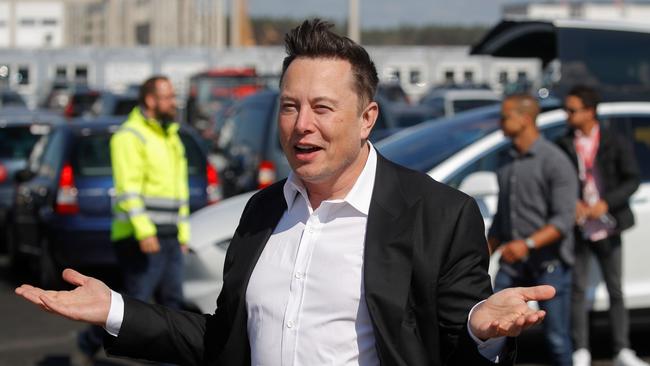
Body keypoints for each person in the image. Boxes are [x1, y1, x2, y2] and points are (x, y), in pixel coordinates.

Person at [17, 19, 555, 366]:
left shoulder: (439, 214)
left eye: (322, 108)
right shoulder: (263, 209)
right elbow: (222, 340)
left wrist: (482, 330)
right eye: (291, 106)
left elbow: (457, 344)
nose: (302, 126)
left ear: (367, 118)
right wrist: (113, 308)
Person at [75, 75, 190, 365]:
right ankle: (88, 342)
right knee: (131, 304)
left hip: (170, 235)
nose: (173, 102)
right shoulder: (130, 136)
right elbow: (128, 190)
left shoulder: (171, 135)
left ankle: (169, 360)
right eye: (167, 97)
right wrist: (144, 231)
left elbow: (180, 192)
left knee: (172, 304)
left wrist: (183, 233)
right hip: (139, 236)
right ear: (150, 100)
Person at [557, 85, 645, 366]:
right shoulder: (563, 143)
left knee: (615, 288)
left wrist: (607, 203)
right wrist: (573, 203)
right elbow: (559, 182)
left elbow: (631, 179)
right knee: (578, 289)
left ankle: (622, 349)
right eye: (567, 110)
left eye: (573, 110)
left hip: (609, 223)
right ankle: (581, 349)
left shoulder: (613, 141)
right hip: (580, 225)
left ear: (590, 111)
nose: (567, 115)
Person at [488, 94, 578, 366]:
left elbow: (564, 220)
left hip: (548, 264)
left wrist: (526, 244)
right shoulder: (506, 160)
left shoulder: (555, 160)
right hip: (513, 264)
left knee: (557, 339)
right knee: (493, 330)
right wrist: (482, 252)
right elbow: (503, 218)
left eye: (505, 117)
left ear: (525, 119)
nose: (500, 123)